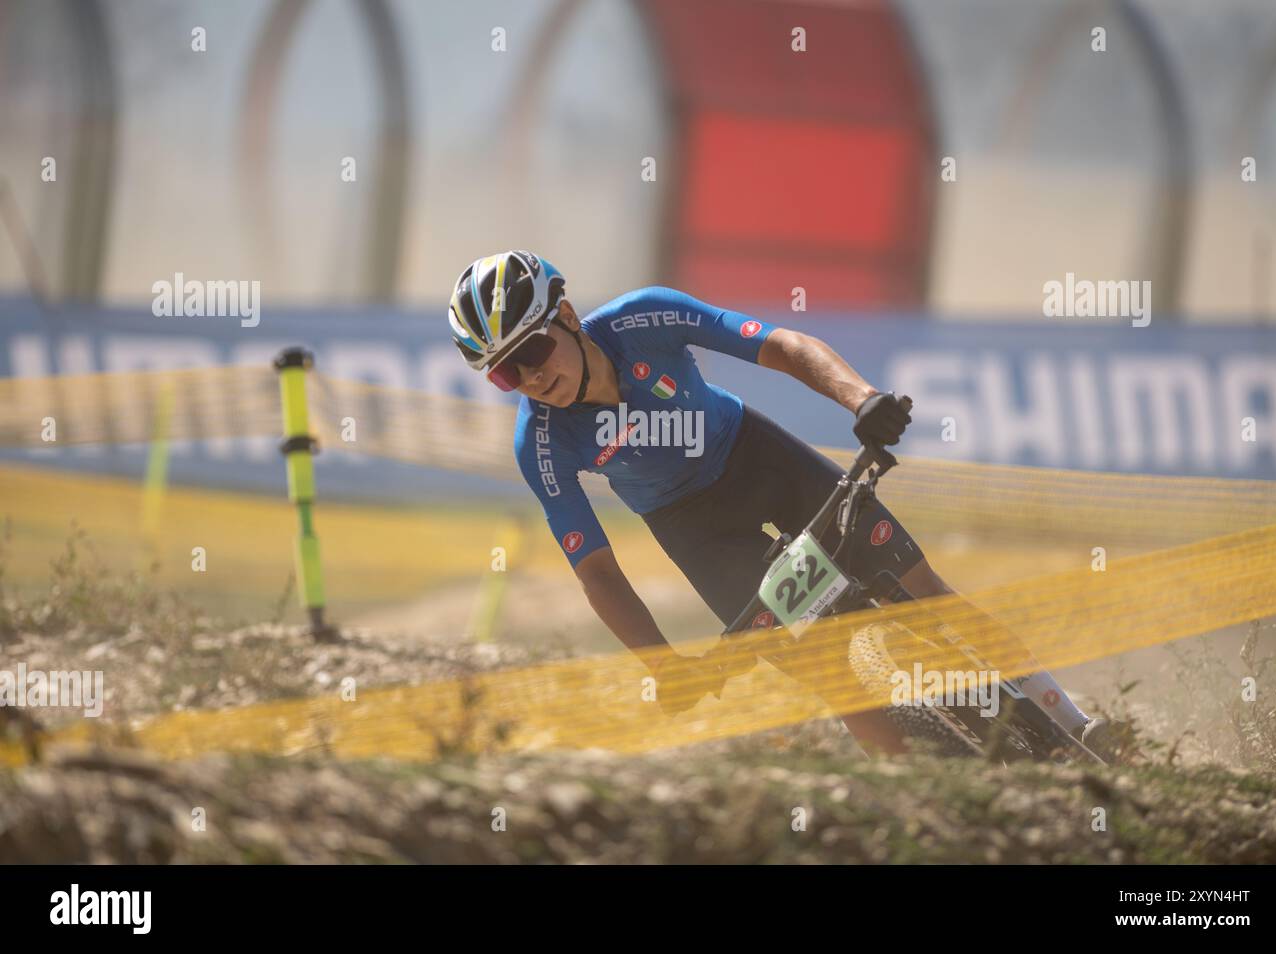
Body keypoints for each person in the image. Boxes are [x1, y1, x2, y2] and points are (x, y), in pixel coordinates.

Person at [448, 249, 1117, 756]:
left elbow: (782, 345)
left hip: (758, 458)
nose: (531, 377)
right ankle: (932, 794)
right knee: (836, 681)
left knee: (927, 589)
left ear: (564, 315)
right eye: (507, 372)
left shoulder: (645, 318)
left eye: (532, 349)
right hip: (695, 531)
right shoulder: (539, 441)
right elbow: (596, 571)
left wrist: (861, 399)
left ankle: (1070, 719)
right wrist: (660, 664)